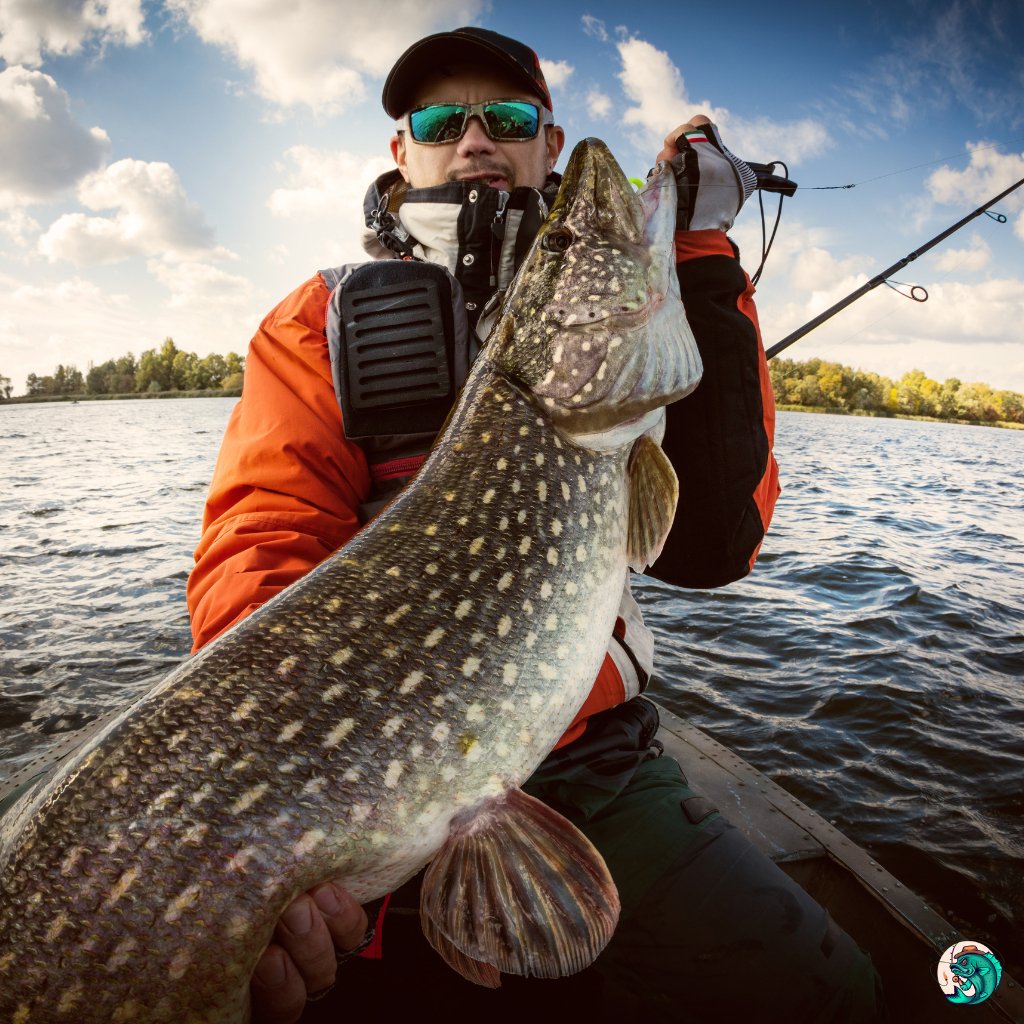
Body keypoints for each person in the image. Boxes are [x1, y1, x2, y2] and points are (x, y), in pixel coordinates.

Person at [187, 27, 883, 1022]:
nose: (475, 138)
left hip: (591, 758)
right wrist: (313, 783)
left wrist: (698, 246)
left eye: (507, 118)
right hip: (358, 775)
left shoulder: (628, 345)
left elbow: (712, 542)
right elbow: (257, 547)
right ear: (403, 153)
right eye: (439, 119)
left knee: (831, 996)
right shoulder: (316, 321)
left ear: (546, 144)